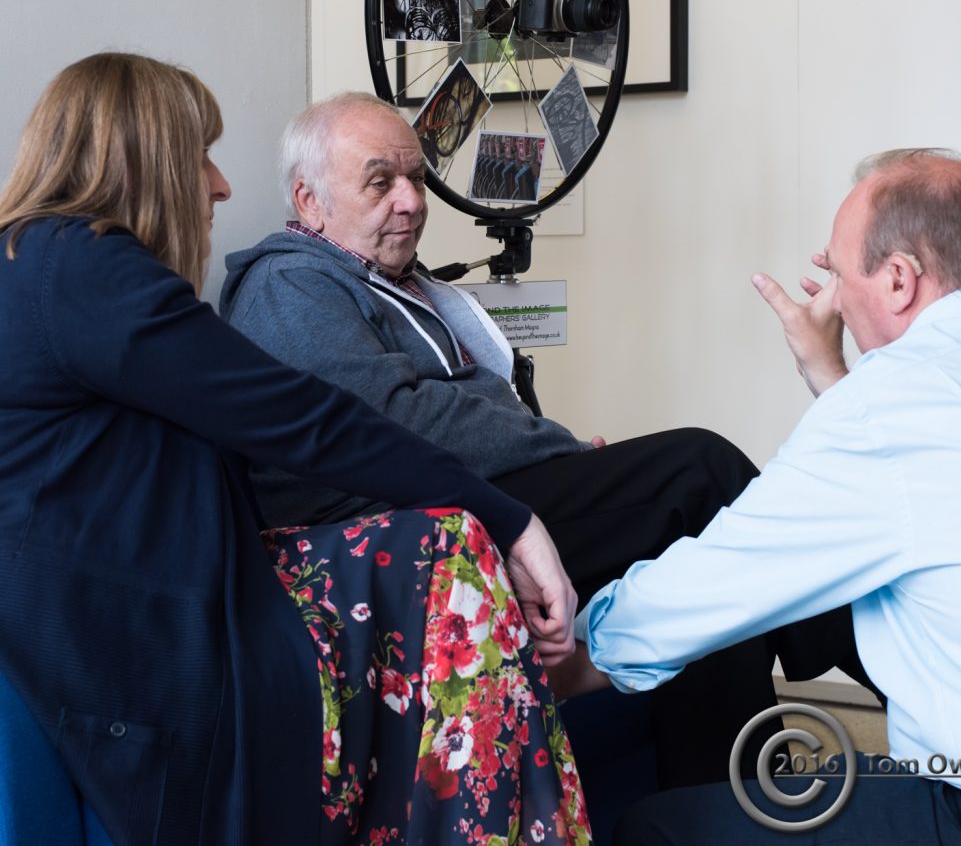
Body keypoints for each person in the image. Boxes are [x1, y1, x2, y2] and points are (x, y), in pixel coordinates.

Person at [0, 53, 591, 846]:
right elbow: (304, 419)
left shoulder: (42, 267)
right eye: (200, 156)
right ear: (142, 161)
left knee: (437, 546)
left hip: (150, 602)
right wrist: (510, 518)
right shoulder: (83, 270)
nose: (220, 185)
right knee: (448, 553)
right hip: (137, 644)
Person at [219, 92, 869, 794]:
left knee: (695, 577)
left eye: (415, 178)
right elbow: (395, 419)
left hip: (463, 505)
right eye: (380, 182)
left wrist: (549, 452)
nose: (410, 201)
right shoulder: (290, 281)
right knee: (697, 471)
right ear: (308, 200)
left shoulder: (392, 283)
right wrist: (555, 450)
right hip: (400, 538)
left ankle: (723, 809)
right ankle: (861, 633)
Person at [560, 149, 961, 843]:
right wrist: (830, 370)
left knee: (656, 830)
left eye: (836, 270)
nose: (829, 292)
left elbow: (717, 583)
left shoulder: (892, 404)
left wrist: (566, 656)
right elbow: (937, 491)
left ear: (898, 280)